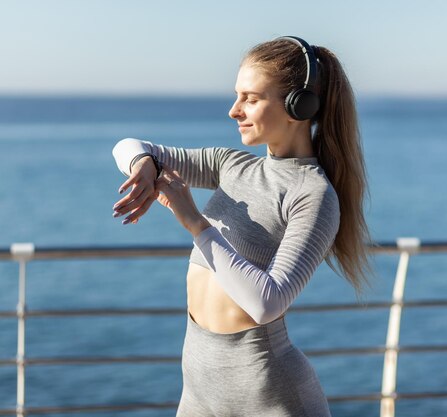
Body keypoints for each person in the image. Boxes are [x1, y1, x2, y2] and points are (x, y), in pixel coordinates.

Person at [111, 35, 372, 417]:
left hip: (271, 397)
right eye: (237, 96)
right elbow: (128, 145)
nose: (234, 110)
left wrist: (195, 222)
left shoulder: (313, 194)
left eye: (251, 98)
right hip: (199, 390)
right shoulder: (230, 164)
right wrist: (144, 165)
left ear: (299, 105)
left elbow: (268, 303)